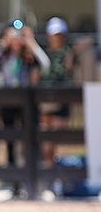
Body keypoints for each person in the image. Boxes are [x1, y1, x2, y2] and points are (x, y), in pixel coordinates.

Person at [0, 21, 50, 168]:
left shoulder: (28, 54)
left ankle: (33, 164)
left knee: (30, 133)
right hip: (8, 99)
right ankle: (12, 167)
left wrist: (31, 43)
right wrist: (3, 43)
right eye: (13, 34)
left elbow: (45, 64)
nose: (16, 39)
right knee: (9, 134)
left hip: (26, 99)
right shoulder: (4, 54)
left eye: (19, 35)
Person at [39, 17, 79, 165]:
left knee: (57, 135)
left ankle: (55, 167)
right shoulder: (44, 53)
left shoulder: (69, 52)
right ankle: (48, 166)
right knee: (46, 135)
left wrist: (73, 52)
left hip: (62, 96)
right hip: (46, 96)